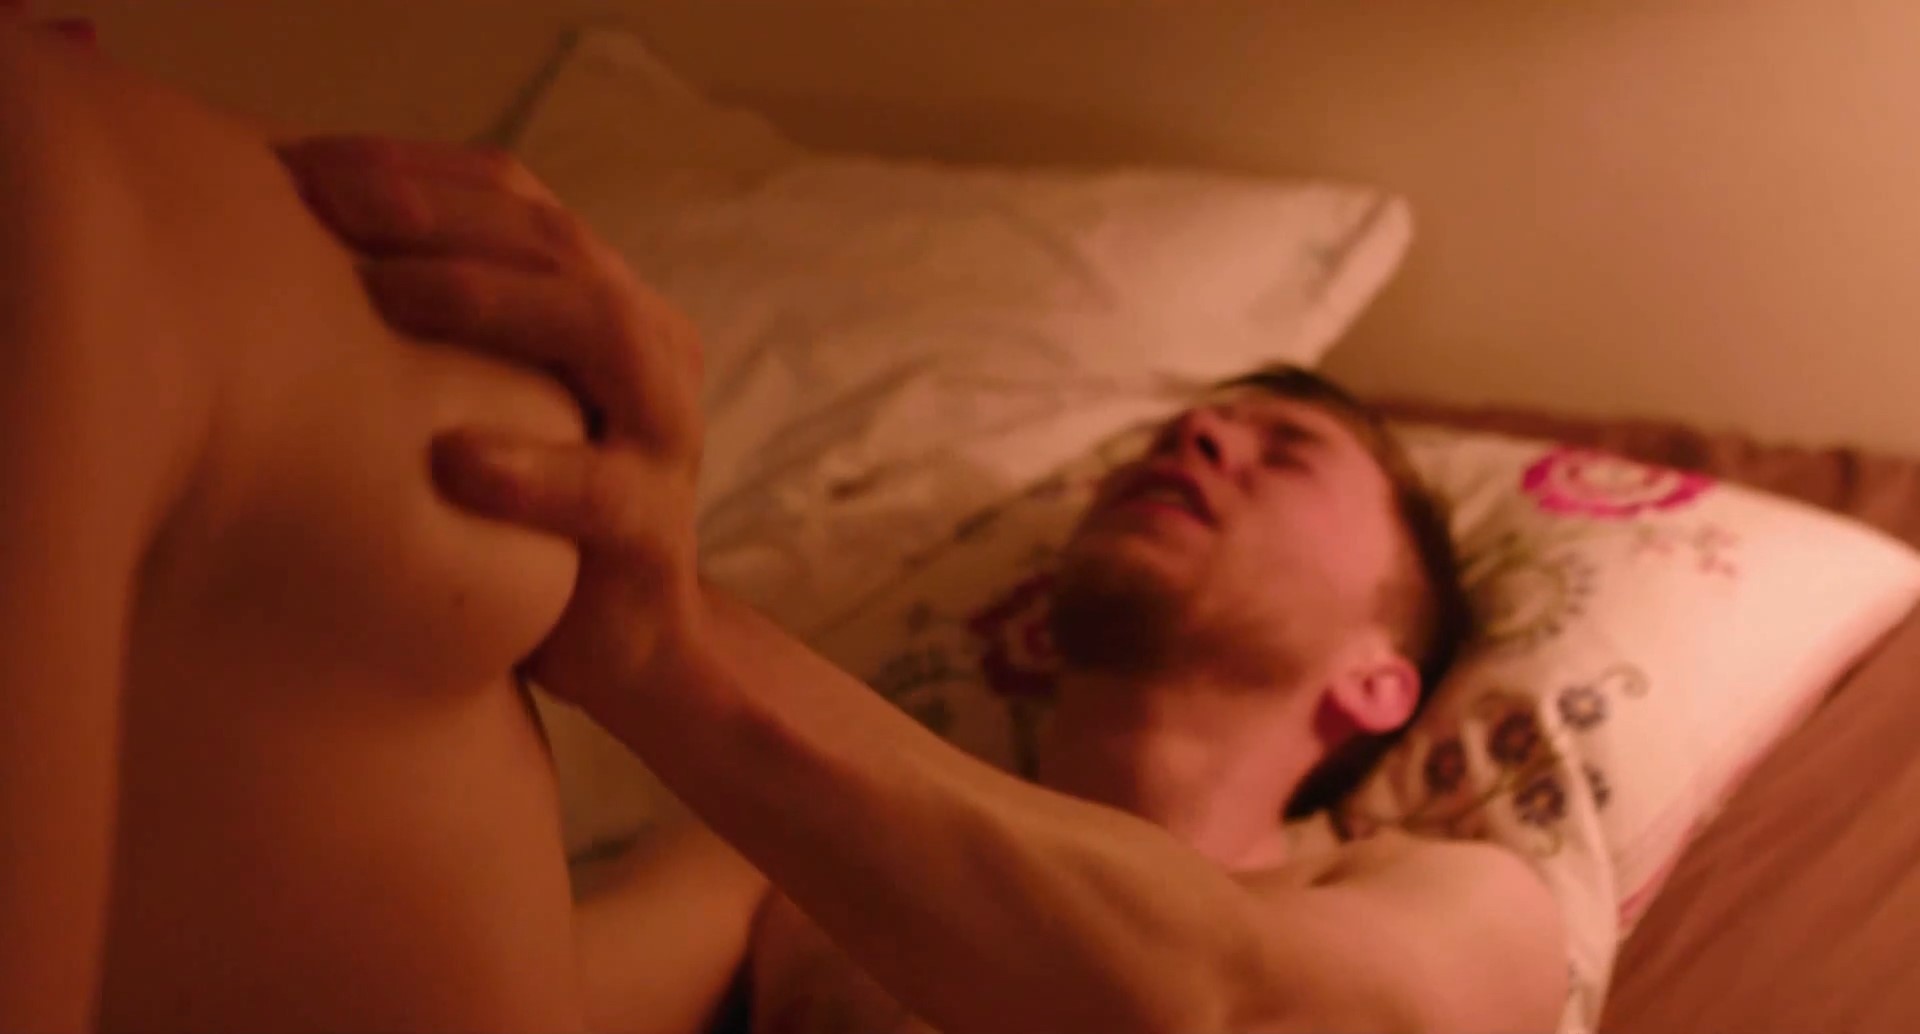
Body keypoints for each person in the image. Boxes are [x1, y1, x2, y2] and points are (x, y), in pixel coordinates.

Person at [0, 11, 1564, 1034]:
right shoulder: (764, 872)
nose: (1203, 433)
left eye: (1285, 450)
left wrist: (664, 646)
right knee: (94, 195)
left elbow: (1217, 1005)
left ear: (1381, 679)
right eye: (1188, 425)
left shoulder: (1460, 898)